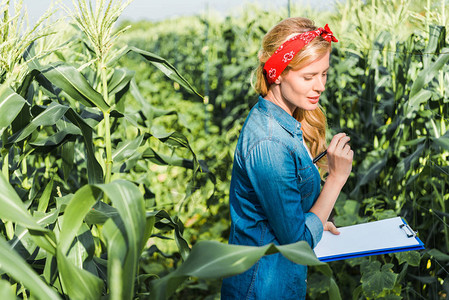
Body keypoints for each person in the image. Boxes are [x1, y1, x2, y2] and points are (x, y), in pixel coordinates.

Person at [221, 17, 353, 299]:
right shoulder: (269, 142)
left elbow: (288, 216)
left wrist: (312, 221)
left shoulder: (286, 123)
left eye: (324, 74)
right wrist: (337, 178)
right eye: (309, 77)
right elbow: (297, 243)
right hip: (263, 287)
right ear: (277, 74)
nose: (320, 86)